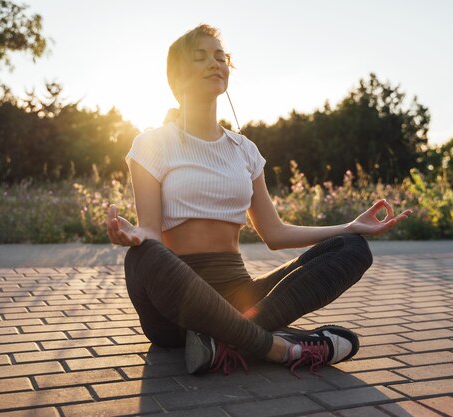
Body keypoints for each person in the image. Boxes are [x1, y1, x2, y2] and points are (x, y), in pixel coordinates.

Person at [107, 24, 412, 376]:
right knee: (142, 255)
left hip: (240, 296)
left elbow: (274, 233)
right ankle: (279, 348)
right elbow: (151, 231)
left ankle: (222, 342)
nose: (215, 63)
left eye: (220, 57)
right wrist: (135, 236)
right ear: (176, 75)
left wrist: (350, 226)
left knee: (352, 248)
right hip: (176, 308)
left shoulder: (244, 150)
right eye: (201, 56)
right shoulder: (152, 143)